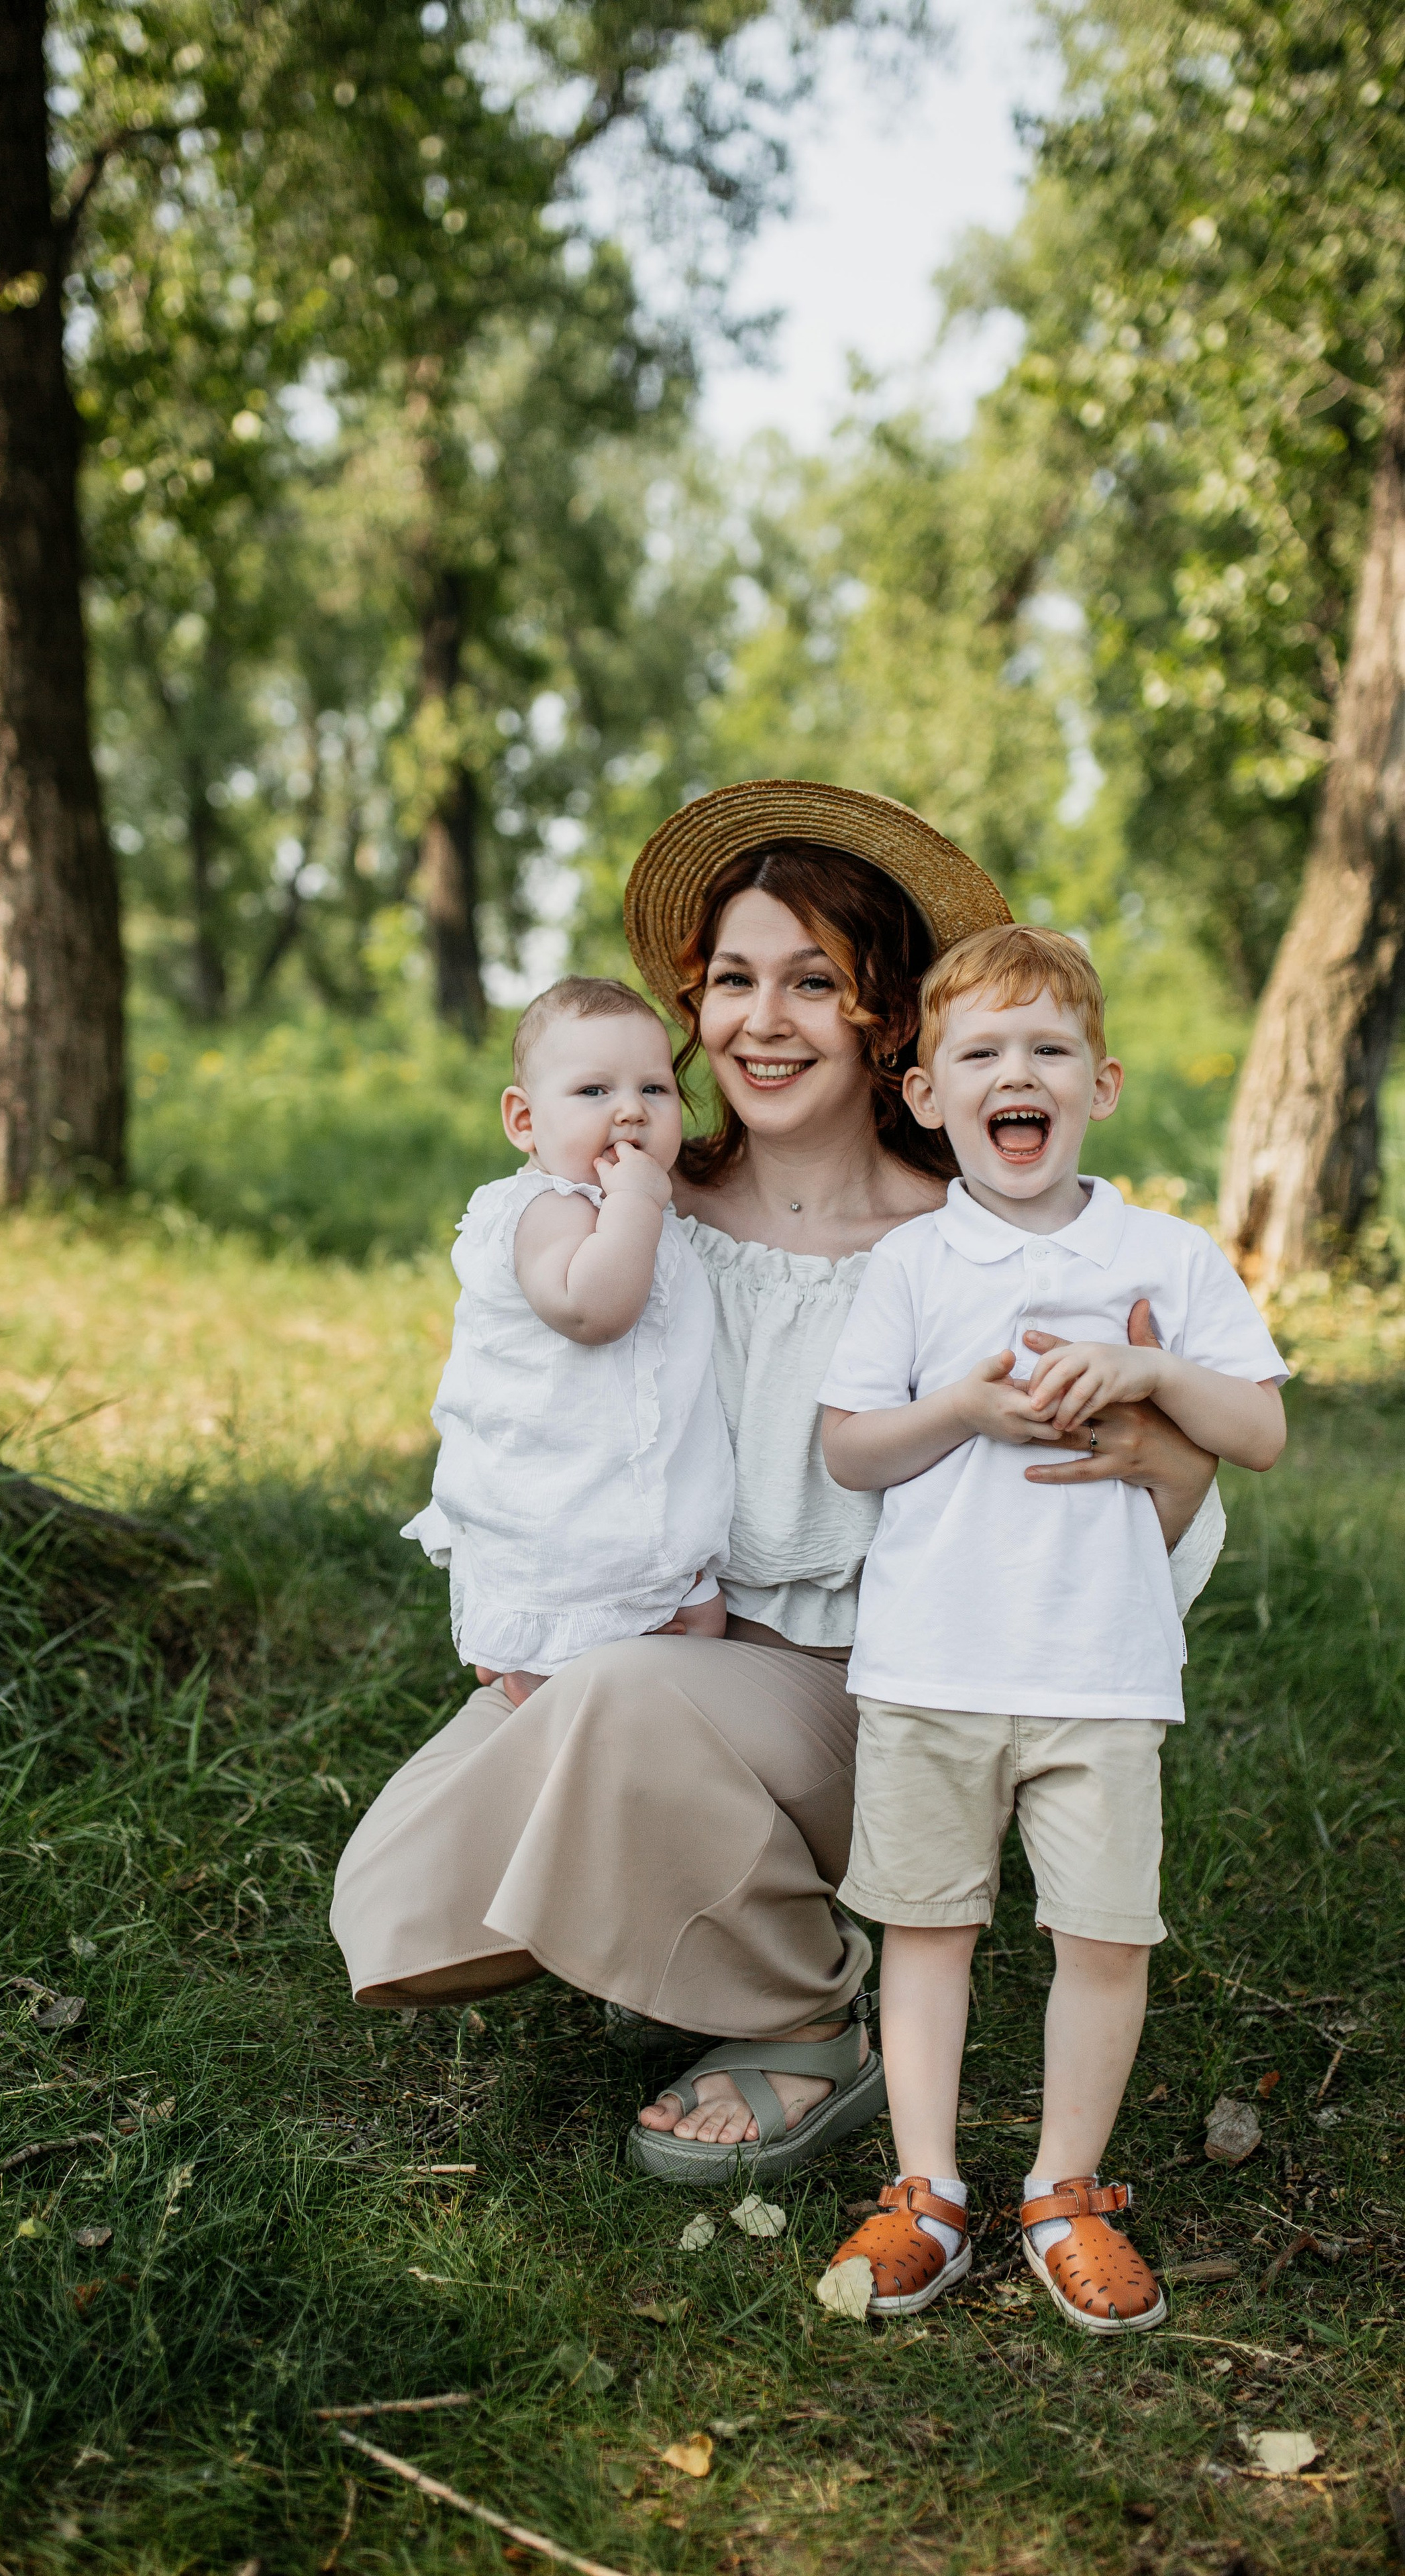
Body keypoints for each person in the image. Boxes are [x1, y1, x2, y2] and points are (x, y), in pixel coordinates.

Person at [329, 780, 1225, 2188]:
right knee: (399, 1890)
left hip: (893, 1702)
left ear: (886, 1021)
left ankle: (803, 2014)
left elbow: (1158, 1497)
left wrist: (1154, 1441)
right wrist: (530, 1635)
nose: (762, 1019)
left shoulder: (973, 1246)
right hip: (672, 1648)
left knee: (625, 1705)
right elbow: (527, 1429)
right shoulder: (648, 1220)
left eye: (813, 982)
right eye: (733, 981)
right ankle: (664, 1875)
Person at [818, 924, 1287, 2328]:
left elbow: (1255, 1430)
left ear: (1102, 1083)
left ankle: (1061, 2189)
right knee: (925, 1927)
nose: (1012, 1075)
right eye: (977, 1054)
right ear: (921, 1094)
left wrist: (1146, 1366)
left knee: (1101, 1935)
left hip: (1099, 1671)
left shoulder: (1164, 1252)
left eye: (1045, 1051)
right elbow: (848, 1450)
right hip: (929, 1666)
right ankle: (925, 2191)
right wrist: (961, 1407)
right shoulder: (910, 1266)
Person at [401, 976, 733, 1707]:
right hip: (562, 1523)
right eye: (592, 1092)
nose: (629, 1111)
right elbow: (593, 1309)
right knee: (569, 1686)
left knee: (702, 1627)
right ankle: (536, 1693)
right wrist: (639, 1203)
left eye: (656, 1089)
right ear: (523, 1121)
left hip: (646, 1506)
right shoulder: (546, 1209)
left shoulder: (627, 1209)